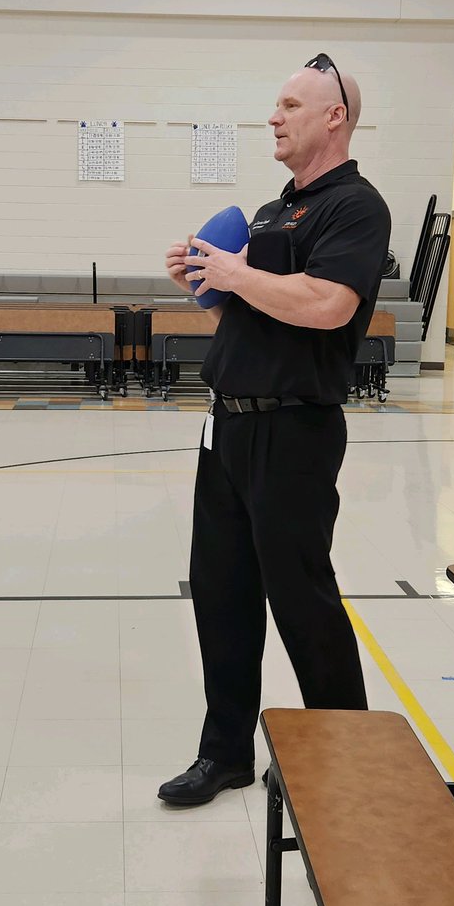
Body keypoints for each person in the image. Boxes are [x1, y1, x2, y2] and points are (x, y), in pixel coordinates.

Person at [158, 55, 391, 806]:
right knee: (221, 597)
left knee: (302, 598)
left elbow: (327, 305)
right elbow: (258, 314)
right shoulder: (269, 213)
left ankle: (347, 753)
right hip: (226, 428)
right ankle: (224, 752)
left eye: (291, 104)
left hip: (293, 434)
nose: (274, 116)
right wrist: (206, 283)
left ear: (334, 117)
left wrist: (233, 273)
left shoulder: (354, 207)